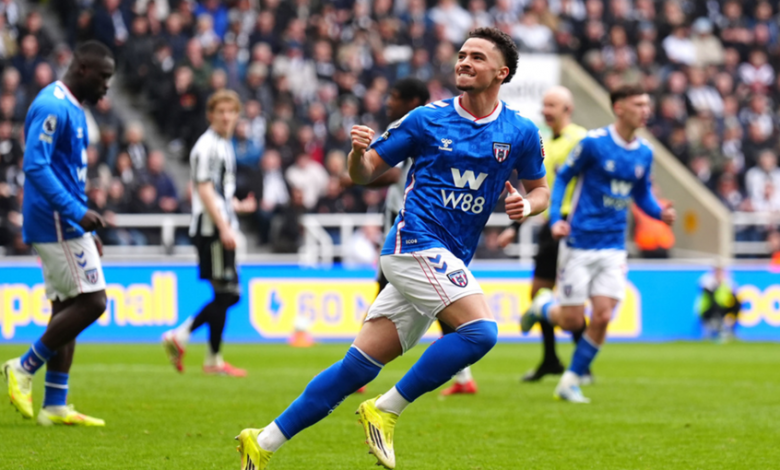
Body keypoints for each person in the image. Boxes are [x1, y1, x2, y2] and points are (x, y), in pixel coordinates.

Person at [235, 27, 550, 470]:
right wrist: (355, 154)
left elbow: (541, 190)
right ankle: (386, 409)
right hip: (413, 244)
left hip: (447, 256)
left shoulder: (520, 131)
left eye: (477, 57)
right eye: (462, 54)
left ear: (502, 72)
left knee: (357, 367)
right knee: (481, 332)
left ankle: (262, 441)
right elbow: (364, 173)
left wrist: (527, 206)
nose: (464, 62)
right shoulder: (426, 119)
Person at [520, 84, 676, 403]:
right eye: (638, 104)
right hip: (579, 243)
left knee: (603, 316)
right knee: (573, 320)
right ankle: (543, 307)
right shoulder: (593, 143)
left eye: (647, 104)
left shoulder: (645, 152)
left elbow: (641, 194)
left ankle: (570, 381)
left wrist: (659, 212)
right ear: (619, 108)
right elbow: (563, 177)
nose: (645, 110)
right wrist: (555, 218)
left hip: (613, 246)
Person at [1, 41, 115, 426]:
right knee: (93, 302)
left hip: (65, 222)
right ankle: (23, 366)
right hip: (54, 222)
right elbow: (35, 165)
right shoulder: (53, 105)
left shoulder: (74, 108)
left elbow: (66, 173)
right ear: (82, 69)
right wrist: (76, 213)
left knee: (67, 308)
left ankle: (54, 403)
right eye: (103, 77)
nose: (106, 85)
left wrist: (83, 222)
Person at [497, 85, 589, 383]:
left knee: (571, 300)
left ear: (567, 109)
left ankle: (582, 364)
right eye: (544, 105)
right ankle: (550, 359)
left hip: (573, 228)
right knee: (538, 293)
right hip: (550, 228)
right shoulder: (544, 143)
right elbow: (540, 193)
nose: (545, 110)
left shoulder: (581, 140)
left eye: (552, 106)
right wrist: (514, 227)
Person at [162, 90, 250, 377]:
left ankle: (213, 359)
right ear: (210, 115)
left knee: (224, 293)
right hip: (212, 229)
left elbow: (218, 191)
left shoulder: (223, 145)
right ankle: (180, 334)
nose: (226, 117)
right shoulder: (207, 146)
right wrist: (224, 227)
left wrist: (237, 206)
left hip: (219, 225)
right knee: (230, 294)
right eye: (220, 111)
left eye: (231, 111)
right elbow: (203, 188)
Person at [696, 264, 741, 341]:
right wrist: (717, 284)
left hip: (722, 308)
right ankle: (717, 328)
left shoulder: (727, 281)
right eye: (717, 272)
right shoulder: (707, 280)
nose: (719, 274)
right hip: (707, 310)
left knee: (737, 304)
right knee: (715, 304)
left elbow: (734, 295)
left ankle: (730, 328)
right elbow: (710, 294)